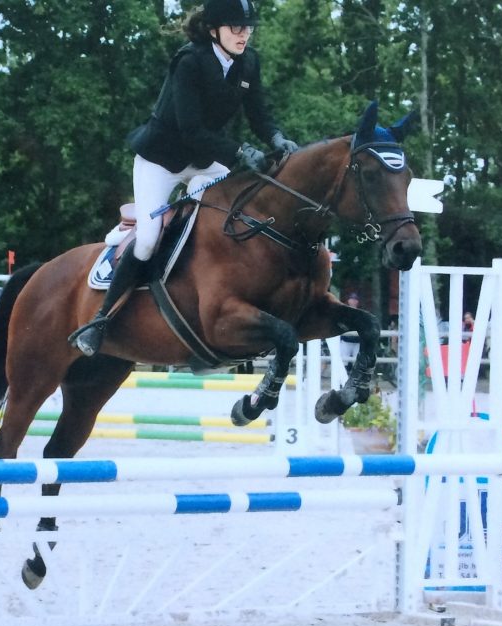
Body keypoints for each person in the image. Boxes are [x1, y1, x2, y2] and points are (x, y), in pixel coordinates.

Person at [69, 0, 297, 356]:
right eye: (236, 27)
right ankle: (101, 319)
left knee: (226, 216)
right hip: (162, 161)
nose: (244, 34)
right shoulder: (189, 62)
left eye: (248, 27)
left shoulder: (249, 61)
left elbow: (259, 114)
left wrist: (277, 138)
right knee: (146, 241)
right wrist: (239, 153)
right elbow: (190, 129)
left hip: (205, 162)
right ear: (213, 30)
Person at [338, 293, 362, 367]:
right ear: (348, 301)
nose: (353, 301)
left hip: (357, 341)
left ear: (357, 302)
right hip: (346, 340)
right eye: (352, 299)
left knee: (357, 362)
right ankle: (343, 377)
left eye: (355, 299)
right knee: (343, 361)